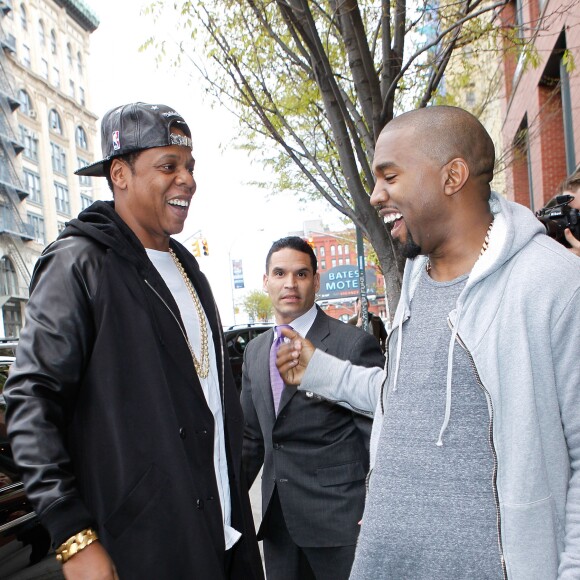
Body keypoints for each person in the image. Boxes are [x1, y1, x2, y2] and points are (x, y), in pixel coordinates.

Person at [277, 106, 580, 579]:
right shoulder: (416, 278)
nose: (376, 196)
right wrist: (319, 370)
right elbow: (407, 401)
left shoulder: (553, 283)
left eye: (389, 176)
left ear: (452, 175)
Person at [4, 102, 263, 580]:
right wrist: (72, 535)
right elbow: (29, 402)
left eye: (189, 167)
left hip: (224, 536)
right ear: (119, 174)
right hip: (144, 550)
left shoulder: (190, 271)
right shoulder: (79, 264)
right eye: (168, 166)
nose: (187, 179)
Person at [241, 236, 384, 580]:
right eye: (279, 273)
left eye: (301, 274)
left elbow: (380, 434)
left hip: (341, 524)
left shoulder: (352, 344)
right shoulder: (256, 351)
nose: (290, 283)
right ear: (266, 281)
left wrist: (380, 506)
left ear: (316, 282)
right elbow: (251, 439)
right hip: (278, 527)